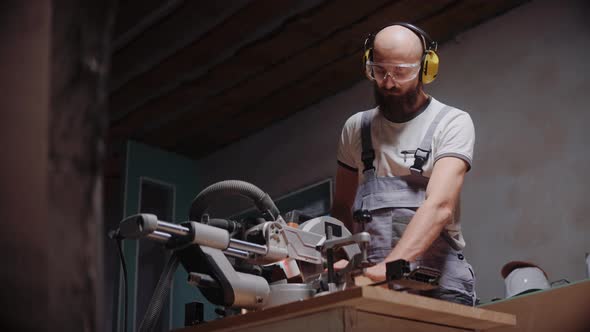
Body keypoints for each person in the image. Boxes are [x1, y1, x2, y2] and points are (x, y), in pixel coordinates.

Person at [331, 23, 476, 305]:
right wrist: (342, 262)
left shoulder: (452, 122)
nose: (388, 82)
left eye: (401, 72)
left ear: (425, 69)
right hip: (372, 283)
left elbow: (440, 206)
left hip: (437, 285)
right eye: (379, 70)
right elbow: (341, 208)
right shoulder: (355, 128)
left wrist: (386, 270)